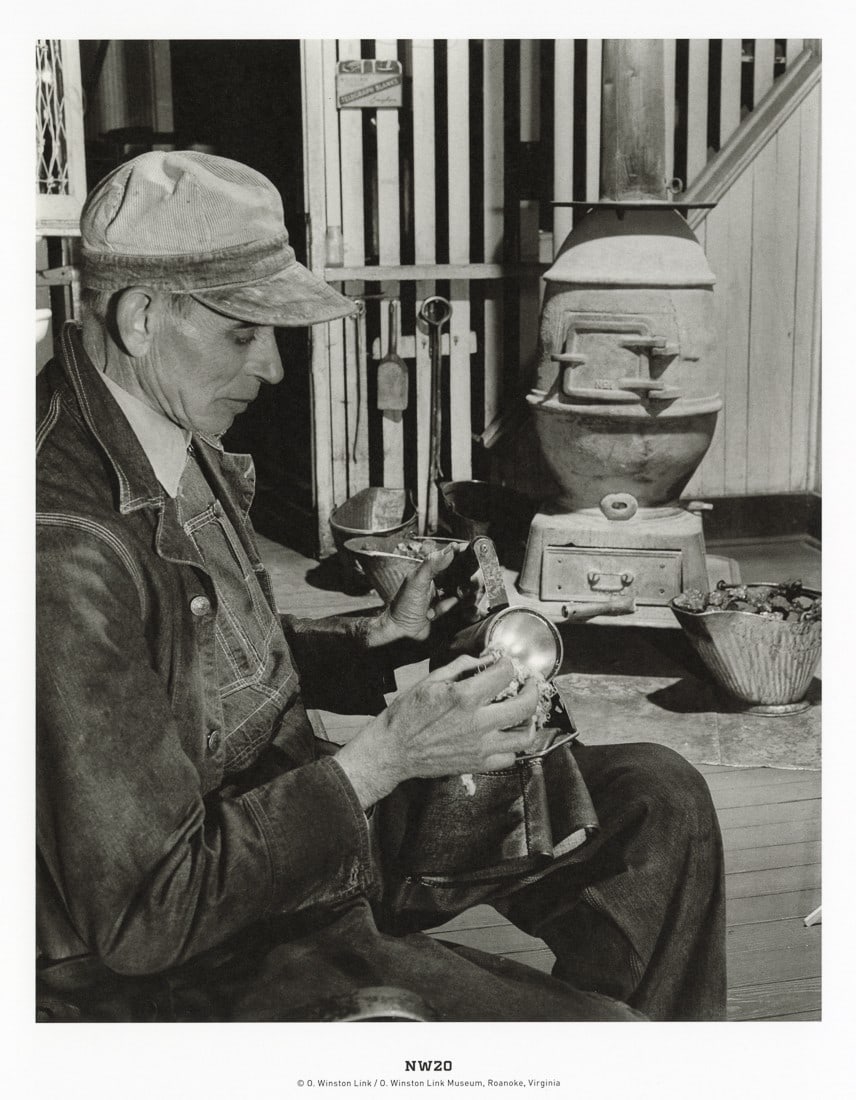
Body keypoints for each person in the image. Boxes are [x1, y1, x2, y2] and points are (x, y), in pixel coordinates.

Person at [36, 151, 725, 1023]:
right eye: (244, 333)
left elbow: (197, 668)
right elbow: (148, 913)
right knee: (601, 1041)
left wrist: (380, 641)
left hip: (291, 829)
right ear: (140, 316)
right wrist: (384, 760)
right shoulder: (61, 550)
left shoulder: (163, 422)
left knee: (658, 800)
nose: (274, 369)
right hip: (198, 944)